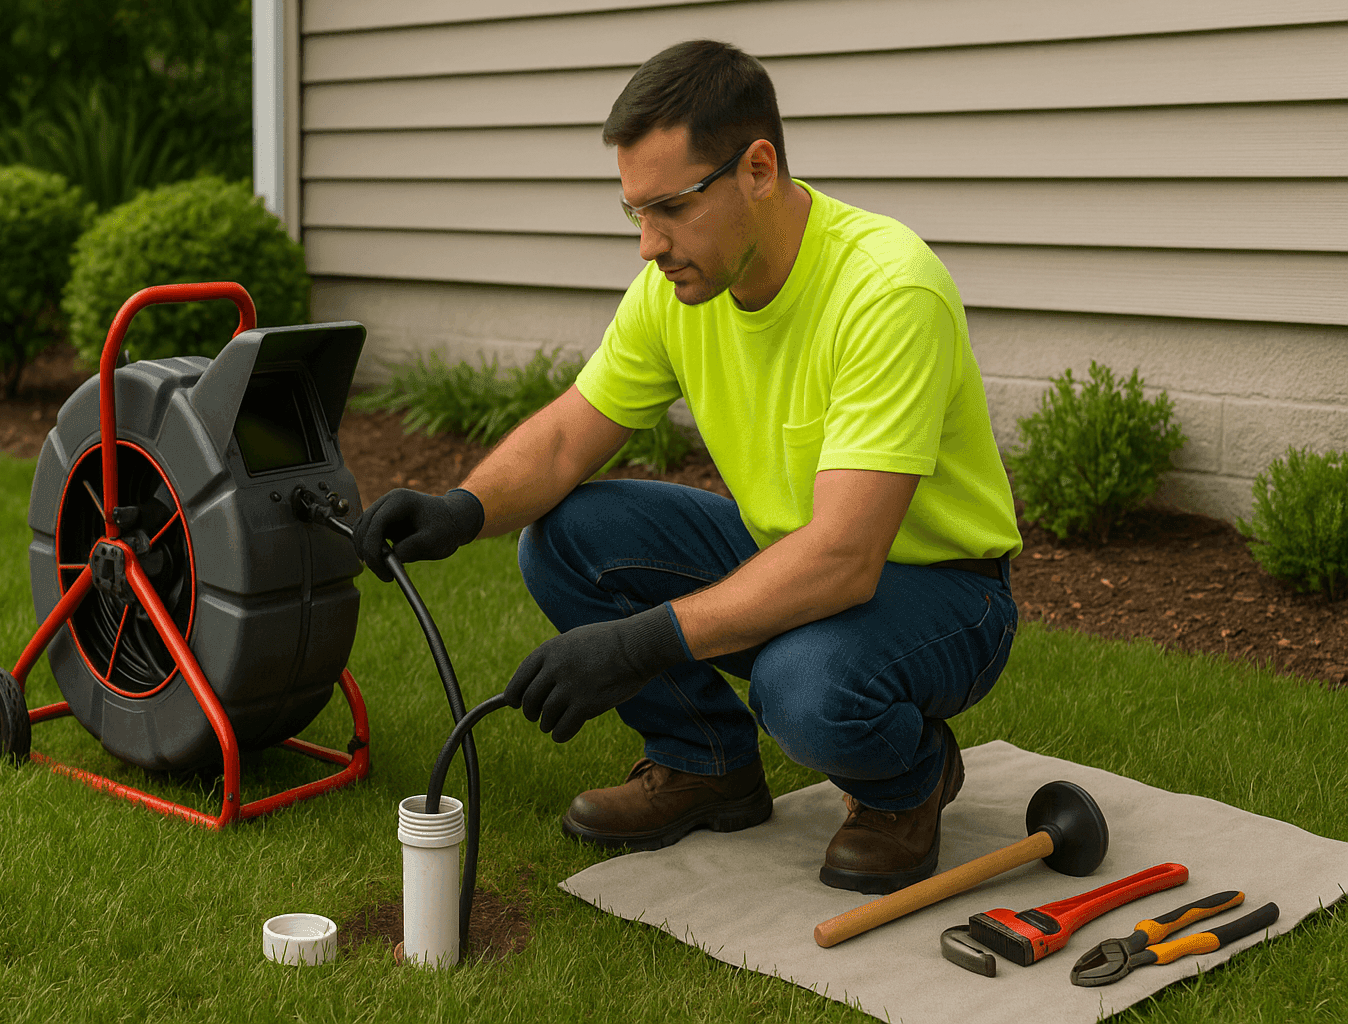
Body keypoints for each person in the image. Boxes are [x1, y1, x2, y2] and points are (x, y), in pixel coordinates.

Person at [352, 39, 1022, 895]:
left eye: (670, 207)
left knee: (802, 686)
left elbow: (845, 558)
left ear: (757, 169)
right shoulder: (679, 290)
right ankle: (705, 763)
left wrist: (639, 644)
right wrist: (460, 508)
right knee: (567, 538)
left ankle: (909, 782)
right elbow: (565, 440)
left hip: (943, 592)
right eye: (634, 211)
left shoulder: (886, 290)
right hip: (789, 551)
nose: (648, 244)